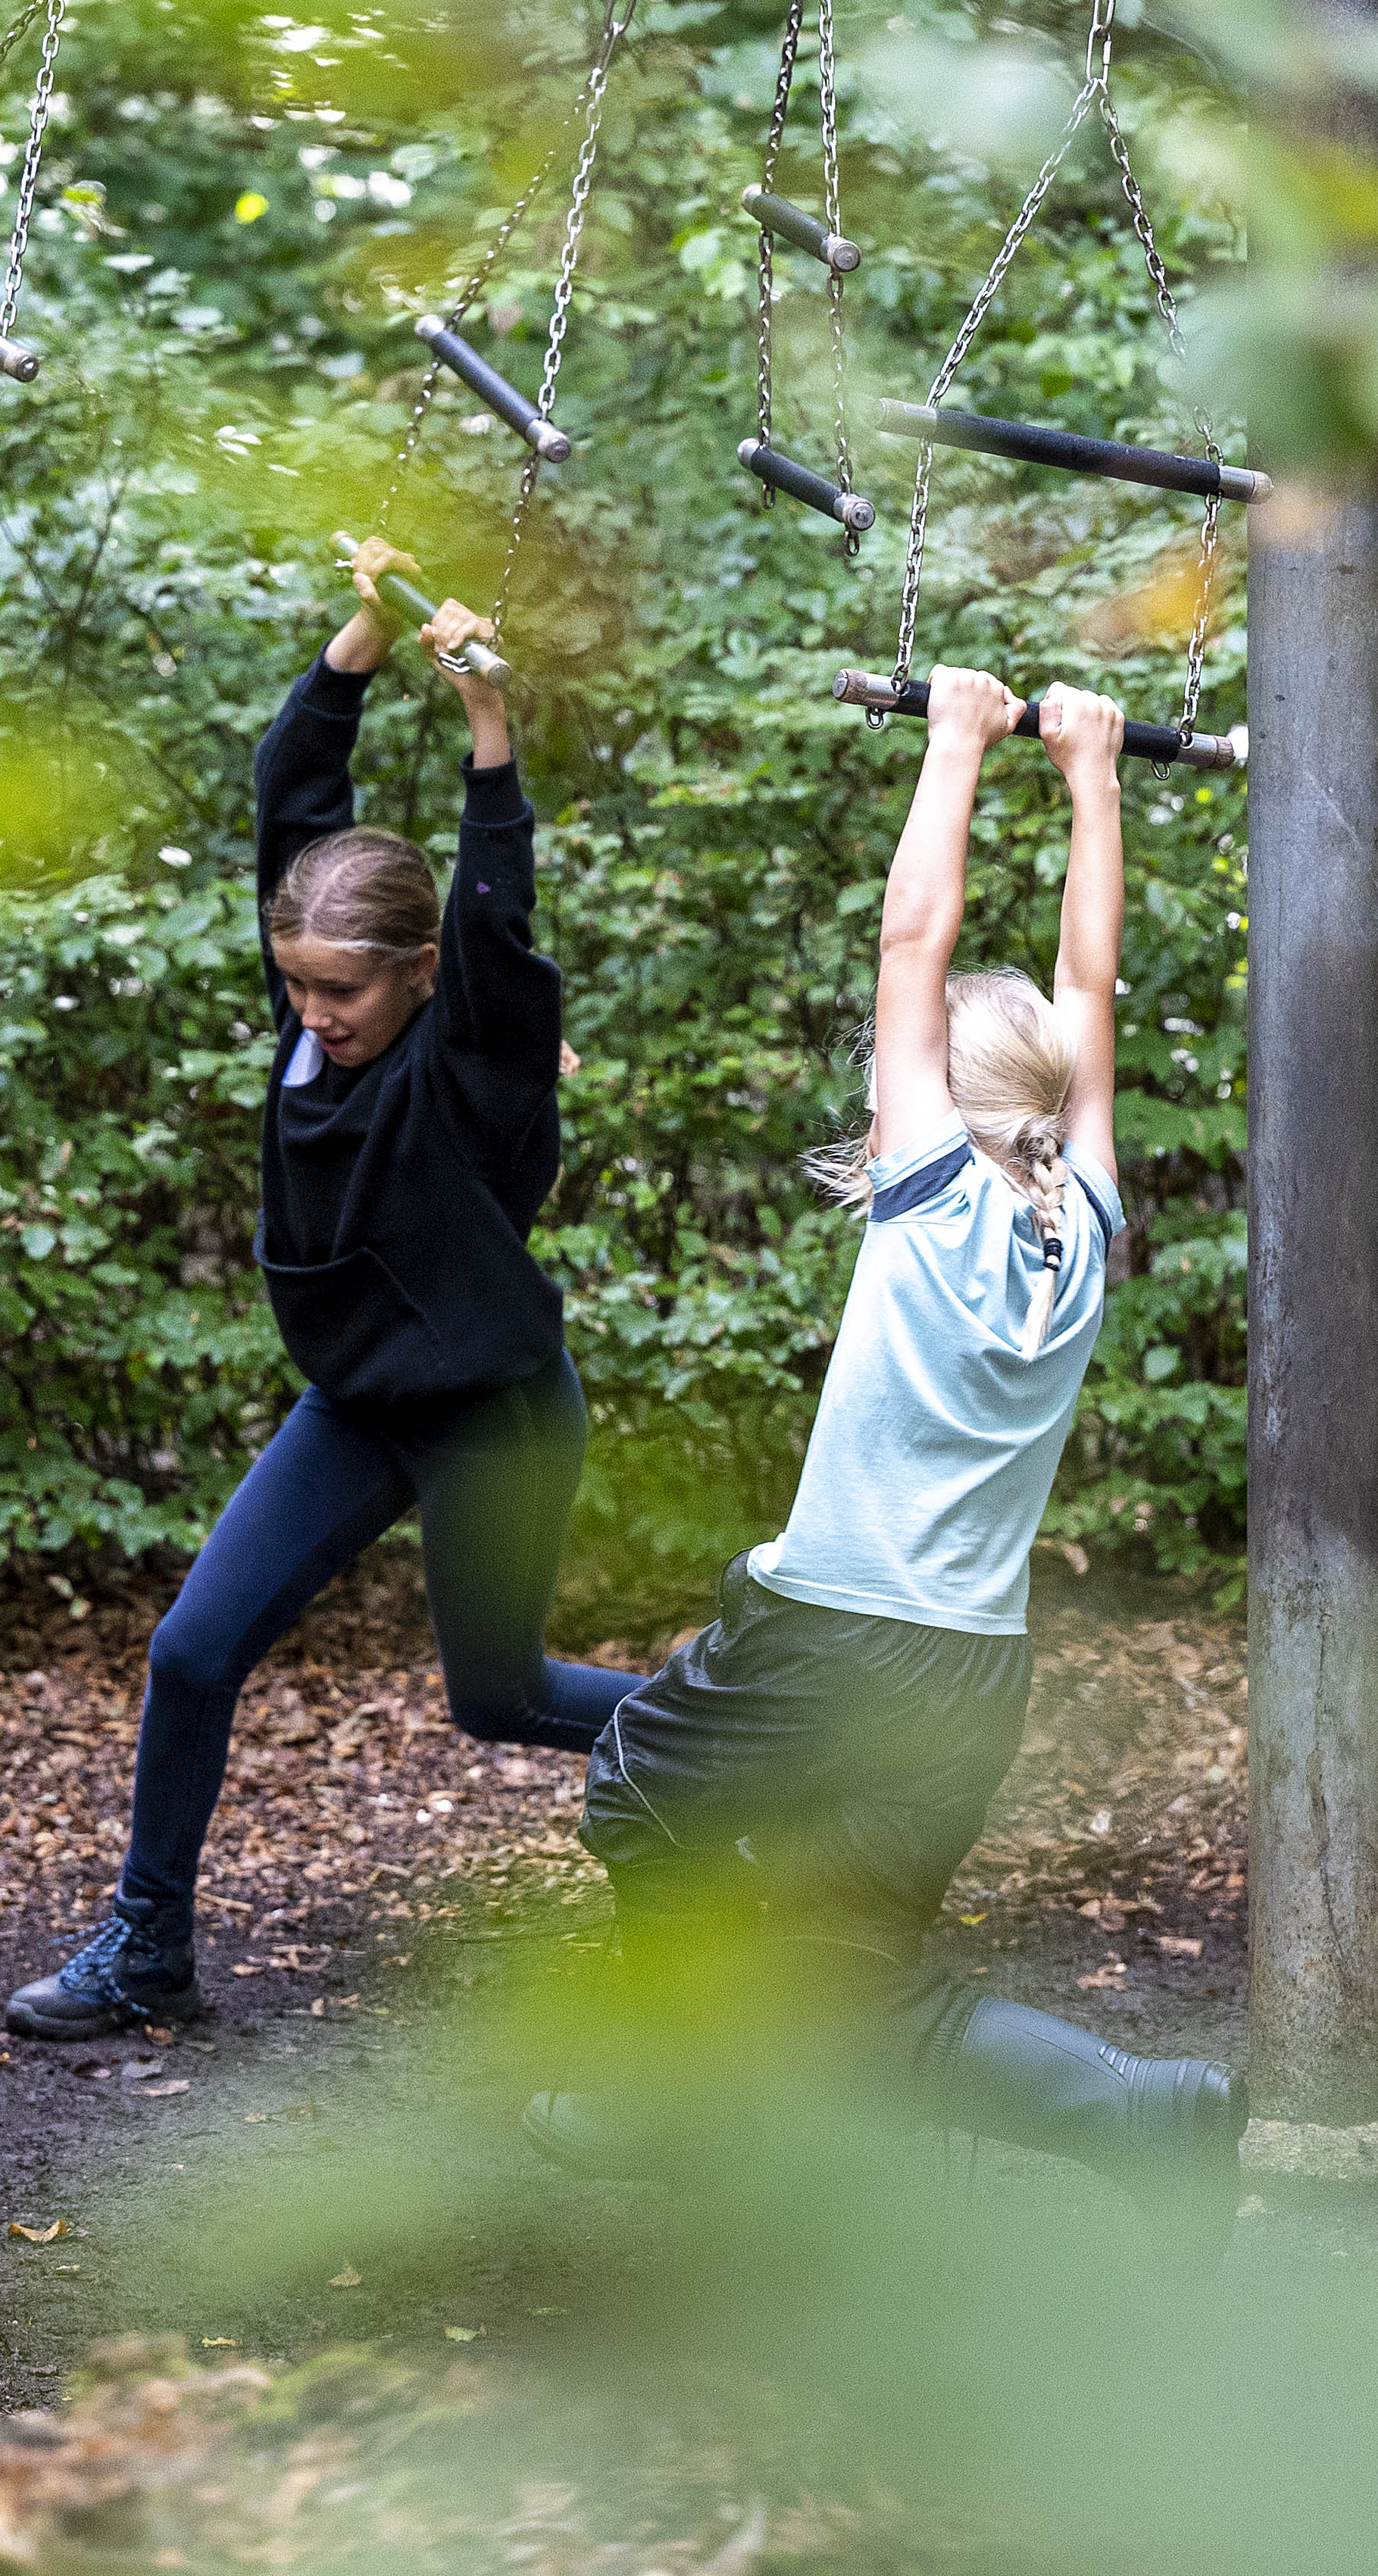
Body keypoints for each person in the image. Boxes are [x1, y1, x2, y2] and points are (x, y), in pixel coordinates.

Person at [525, 663, 1244, 2261]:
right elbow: (1093, 986)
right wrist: (1092, 772)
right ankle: (1139, 2105)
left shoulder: (928, 1190)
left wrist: (953, 740)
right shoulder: (1089, 1221)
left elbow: (912, 940)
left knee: (642, 1786)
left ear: (932, 1098)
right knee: (862, 1982)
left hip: (830, 1629)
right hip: (970, 1667)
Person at [3, 554, 639, 2041]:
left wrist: (489, 720)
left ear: (416, 974)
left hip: (491, 1414)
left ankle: (751, 1734)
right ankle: (146, 1948)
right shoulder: (310, 1016)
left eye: (340, 993)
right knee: (192, 1647)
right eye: (294, 986)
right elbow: (294, 785)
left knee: (494, 1697)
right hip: (357, 1402)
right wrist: (360, 631)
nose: (310, 1013)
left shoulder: (469, 1065)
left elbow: (497, 920)